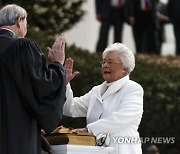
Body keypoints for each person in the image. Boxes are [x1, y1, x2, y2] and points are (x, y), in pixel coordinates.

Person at [0, 4, 66, 154]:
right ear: (19, 21)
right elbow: (43, 85)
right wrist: (57, 66)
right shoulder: (22, 46)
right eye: (26, 23)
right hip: (16, 132)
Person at [64, 43, 144, 154]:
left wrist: (89, 130)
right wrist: (65, 83)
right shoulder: (97, 90)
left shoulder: (133, 89)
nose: (105, 65)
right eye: (104, 62)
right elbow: (70, 108)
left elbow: (121, 119)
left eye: (110, 62)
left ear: (125, 69)